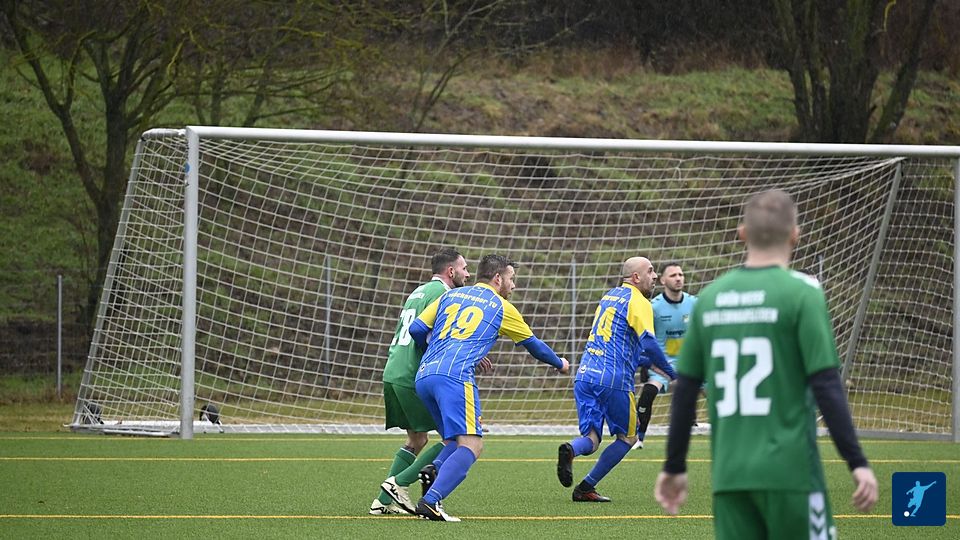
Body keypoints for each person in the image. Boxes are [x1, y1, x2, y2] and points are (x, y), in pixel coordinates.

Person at [654, 189, 878, 539]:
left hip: (730, 478)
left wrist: (675, 465)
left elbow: (685, 390)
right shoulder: (802, 293)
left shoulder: (711, 298)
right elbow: (826, 385)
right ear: (795, 235)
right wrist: (857, 461)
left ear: (742, 233)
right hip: (791, 473)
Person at [409, 254, 570, 521]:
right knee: (472, 445)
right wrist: (560, 363)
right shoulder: (502, 306)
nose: (513, 285)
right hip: (455, 377)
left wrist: (437, 350)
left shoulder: (450, 295)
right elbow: (534, 346)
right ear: (497, 278)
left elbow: (417, 329)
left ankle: (434, 469)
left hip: (425, 374)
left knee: (453, 441)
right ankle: (431, 501)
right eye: (511, 279)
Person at [556, 257, 677, 502]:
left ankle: (571, 449)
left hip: (585, 375)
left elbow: (622, 345)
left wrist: (648, 363)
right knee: (629, 438)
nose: (655, 276)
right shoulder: (639, 301)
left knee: (591, 439)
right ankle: (586, 486)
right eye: (650, 271)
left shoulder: (609, 297)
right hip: (614, 380)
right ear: (636, 277)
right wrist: (673, 374)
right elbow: (649, 342)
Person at [370, 247, 472, 517]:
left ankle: (383, 501)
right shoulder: (443, 295)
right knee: (456, 438)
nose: (468, 274)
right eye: (464, 268)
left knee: (417, 439)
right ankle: (399, 483)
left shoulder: (419, 291)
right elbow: (433, 335)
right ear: (450, 271)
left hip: (394, 370)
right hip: (413, 374)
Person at [635, 262, 697, 449]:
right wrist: (646, 364)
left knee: (715, 392)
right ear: (662, 280)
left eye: (680, 274)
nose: (678, 278)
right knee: (648, 393)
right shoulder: (653, 307)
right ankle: (638, 439)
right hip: (662, 364)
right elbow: (645, 338)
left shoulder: (695, 303)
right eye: (673, 275)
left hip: (690, 362)